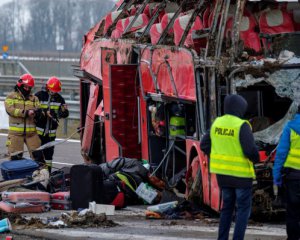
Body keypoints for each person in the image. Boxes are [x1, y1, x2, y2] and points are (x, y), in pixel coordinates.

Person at [200, 94, 259, 240]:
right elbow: (250, 150)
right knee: (243, 210)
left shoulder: (217, 123)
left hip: (223, 176)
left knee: (226, 208)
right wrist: (256, 159)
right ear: (240, 108)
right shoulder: (241, 125)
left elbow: (204, 145)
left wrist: (218, 156)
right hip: (241, 177)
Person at [273, 105, 300, 240]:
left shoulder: (290, 127)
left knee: (293, 212)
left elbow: (281, 154)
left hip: (293, 177)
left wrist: (276, 177)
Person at [4, 73, 43, 162]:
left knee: (39, 158)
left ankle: (40, 175)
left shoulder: (34, 98)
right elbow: (10, 110)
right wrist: (25, 113)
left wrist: (37, 113)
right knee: (15, 159)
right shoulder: (11, 97)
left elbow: (39, 110)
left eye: (29, 88)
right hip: (15, 134)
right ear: (20, 84)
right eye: (26, 87)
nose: (27, 89)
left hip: (32, 134)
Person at [35, 76, 69, 172]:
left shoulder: (59, 99)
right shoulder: (39, 95)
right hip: (38, 133)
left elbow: (63, 114)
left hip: (51, 134)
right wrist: (45, 112)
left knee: (49, 157)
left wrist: (63, 112)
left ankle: (48, 175)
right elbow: (34, 110)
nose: (54, 92)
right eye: (53, 90)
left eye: (56, 91)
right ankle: (37, 175)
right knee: (37, 156)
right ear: (48, 87)